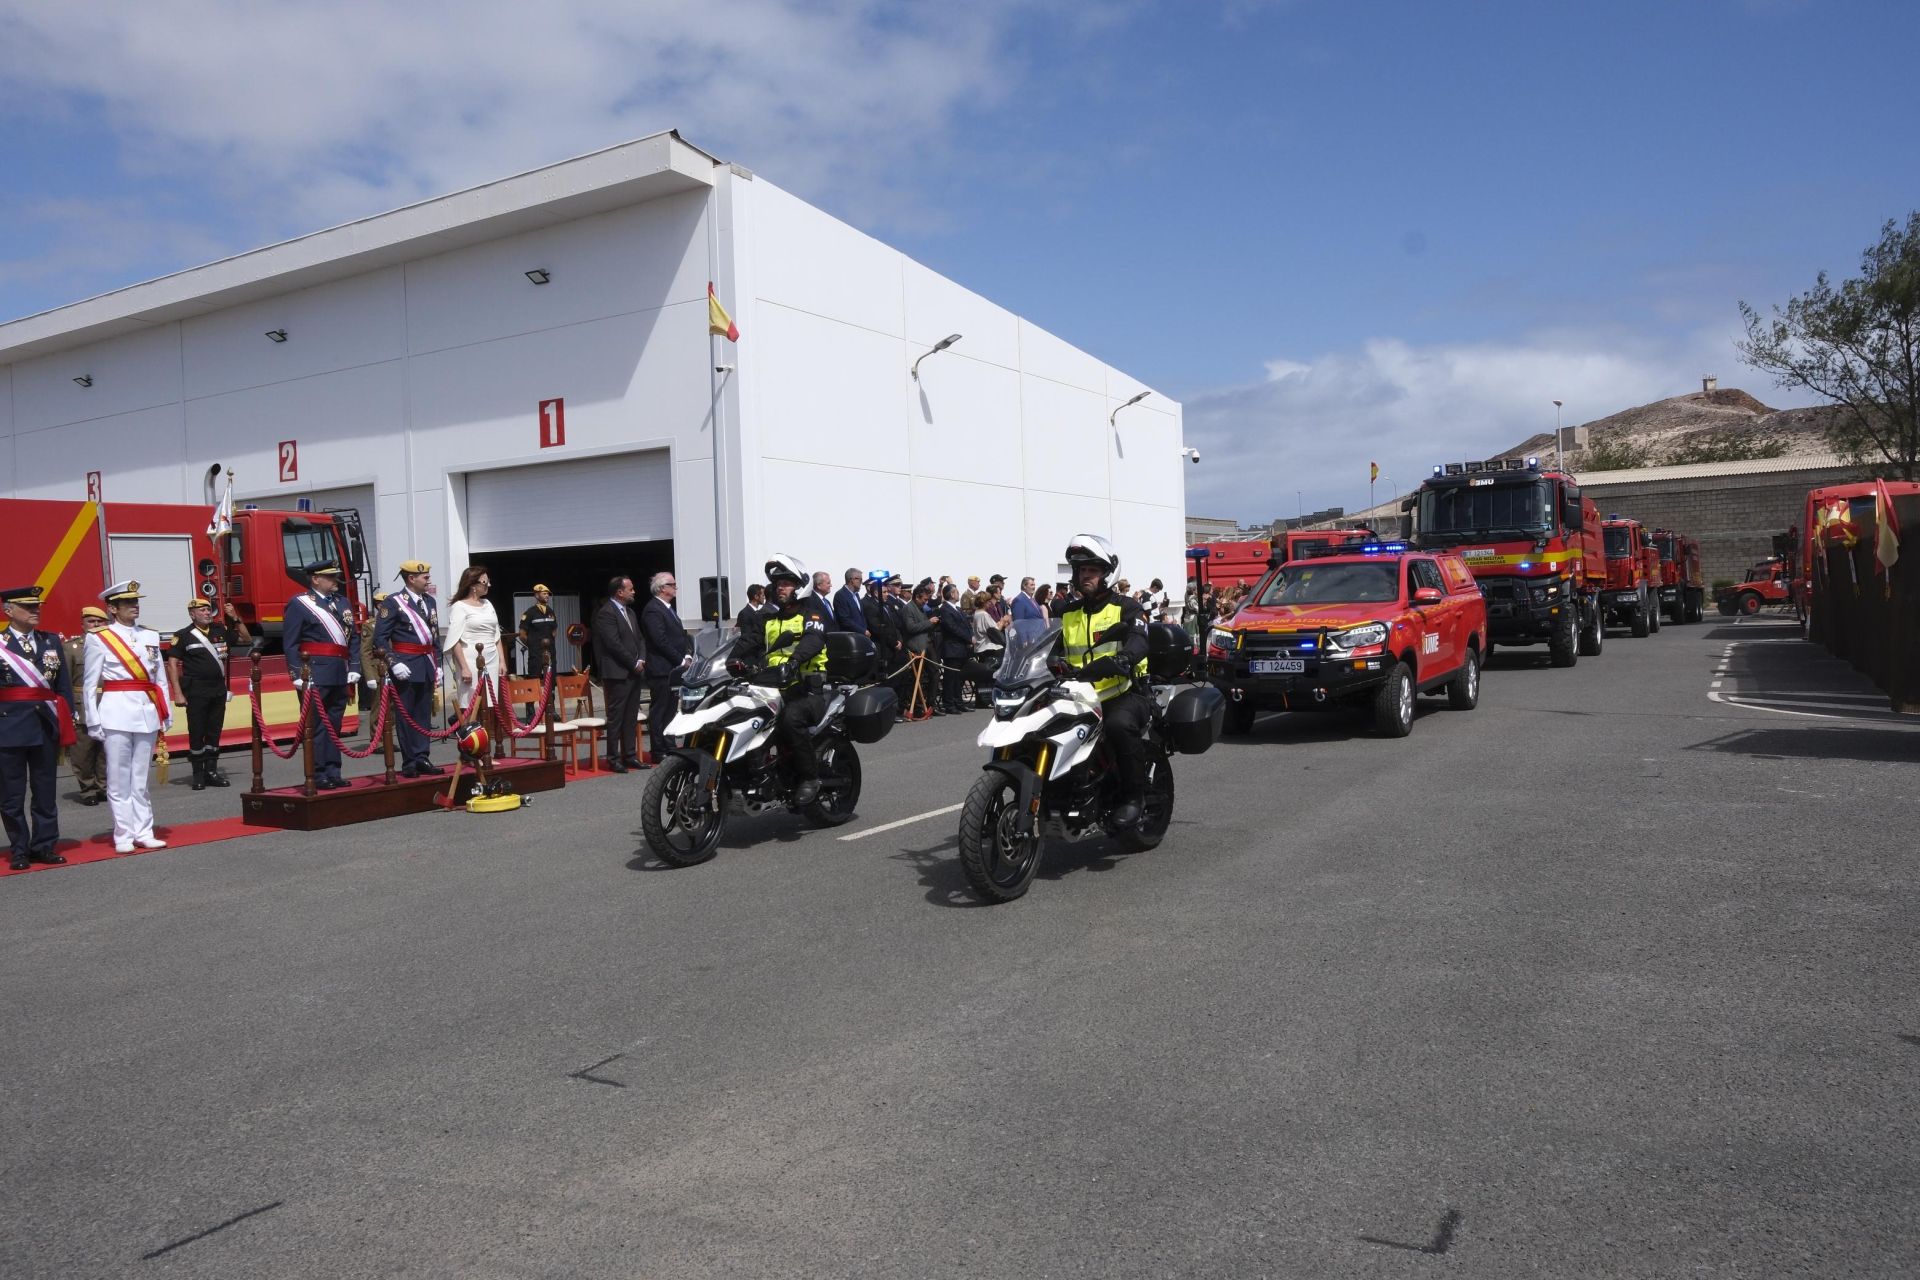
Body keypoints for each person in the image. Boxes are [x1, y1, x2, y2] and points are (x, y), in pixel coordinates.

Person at [1053, 534, 1152, 828]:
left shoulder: (1126, 608)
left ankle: (1134, 796)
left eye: (1092, 571)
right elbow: (1044, 644)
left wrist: (1124, 659)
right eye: (1081, 571)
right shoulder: (1067, 613)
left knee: (1118, 726)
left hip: (1120, 692)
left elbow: (1140, 638)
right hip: (1075, 697)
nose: (1085, 576)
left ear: (1107, 574)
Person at [731, 554, 829, 805]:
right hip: (772, 688)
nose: (780, 588)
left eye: (786, 583)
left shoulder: (812, 614)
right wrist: (728, 660)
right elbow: (748, 640)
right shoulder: (769, 618)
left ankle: (809, 778)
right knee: (739, 716)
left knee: (791, 719)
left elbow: (813, 640)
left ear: (800, 586)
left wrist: (795, 661)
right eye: (778, 584)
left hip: (807, 688)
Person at [85, 580, 173, 850]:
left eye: (136, 602)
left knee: (140, 777)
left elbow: (160, 678)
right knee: (118, 777)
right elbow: (90, 684)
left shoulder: (150, 636)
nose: (135, 606)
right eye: (127, 603)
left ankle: (144, 831)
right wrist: (93, 720)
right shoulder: (99, 638)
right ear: (112, 608)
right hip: (116, 711)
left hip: (146, 709)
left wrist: (165, 712)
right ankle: (123, 834)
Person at [1, 585, 77, 869]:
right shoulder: (1, 643)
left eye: (38, 606)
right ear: (8, 611)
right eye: (28, 607)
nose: (36, 611)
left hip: (45, 725)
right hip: (9, 727)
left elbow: (62, 685)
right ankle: (19, 849)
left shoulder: (50, 641)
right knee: (12, 795)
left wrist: (68, 716)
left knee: (45, 791)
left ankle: (44, 845)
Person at [283, 560, 357, 791]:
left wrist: (354, 666)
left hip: (339, 672)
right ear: (315, 579)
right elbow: (291, 642)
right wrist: (297, 673)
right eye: (330, 577)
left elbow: (352, 637)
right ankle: (317, 772)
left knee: (334, 725)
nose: (335, 580)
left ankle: (333, 771)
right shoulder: (300, 604)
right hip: (314, 672)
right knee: (315, 726)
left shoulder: (342, 602)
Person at [165, 597, 249, 790]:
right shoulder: (183, 635)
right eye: (201, 610)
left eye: (208, 609)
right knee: (197, 732)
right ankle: (198, 774)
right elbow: (172, 665)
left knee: (214, 731)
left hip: (217, 689)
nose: (206, 612)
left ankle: (212, 771)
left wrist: (235, 618)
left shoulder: (221, 631)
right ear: (192, 614)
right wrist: (177, 693)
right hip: (196, 690)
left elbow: (246, 639)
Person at [374, 559, 443, 778]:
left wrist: (439, 665)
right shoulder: (393, 603)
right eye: (425, 577)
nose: (428, 580)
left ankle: (423, 756)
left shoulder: (430, 602)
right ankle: (409, 762)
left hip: (426, 663)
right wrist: (394, 663)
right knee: (406, 715)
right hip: (405, 664)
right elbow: (380, 639)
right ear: (411, 578)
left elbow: (434, 638)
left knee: (423, 715)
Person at [591, 575, 647, 772]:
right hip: (617, 672)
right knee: (616, 717)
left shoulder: (630, 612)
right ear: (619, 592)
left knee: (631, 715)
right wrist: (632, 663)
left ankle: (629, 755)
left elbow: (639, 638)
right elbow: (613, 644)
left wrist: (641, 659)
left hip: (633, 671)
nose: (634, 591)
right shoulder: (606, 613)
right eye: (630, 588)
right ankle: (613, 757)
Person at [641, 571, 691, 765]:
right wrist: (680, 660)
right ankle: (658, 748)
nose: (675, 587)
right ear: (662, 588)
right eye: (672, 584)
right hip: (661, 668)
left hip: (672, 669)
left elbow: (680, 635)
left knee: (671, 709)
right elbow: (659, 640)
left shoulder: (668, 608)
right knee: (660, 710)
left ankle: (670, 744)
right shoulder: (653, 609)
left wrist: (687, 654)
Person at [62, 606, 109, 807]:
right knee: (83, 750)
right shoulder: (72, 648)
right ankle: (87, 788)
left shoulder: (114, 645)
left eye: (100, 622)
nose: (96, 625)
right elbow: (65, 681)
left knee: (106, 750)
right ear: (82, 624)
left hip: (108, 702)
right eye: (91, 621)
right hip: (82, 703)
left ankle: (103, 786)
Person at [443, 566, 504, 713]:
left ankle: (486, 735)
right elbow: (454, 640)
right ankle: (471, 735)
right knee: (471, 703)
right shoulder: (459, 607)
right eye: (484, 582)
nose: (488, 585)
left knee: (490, 702)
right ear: (473, 585)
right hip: (470, 659)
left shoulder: (488, 604)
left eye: (488, 581)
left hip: (491, 658)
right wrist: (464, 667)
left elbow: (496, 635)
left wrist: (502, 660)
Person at [861, 571, 902, 721]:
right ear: (876, 593)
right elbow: (878, 628)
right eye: (884, 592)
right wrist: (893, 642)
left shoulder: (887, 606)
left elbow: (894, 625)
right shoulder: (871, 606)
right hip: (882, 648)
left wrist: (898, 640)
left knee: (894, 680)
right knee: (883, 682)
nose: (887, 594)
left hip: (893, 648)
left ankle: (894, 710)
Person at [935, 583, 973, 714]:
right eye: (956, 592)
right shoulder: (945, 609)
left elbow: (966, 625)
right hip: (952, 648)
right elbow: (952, 628)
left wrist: (970, 636)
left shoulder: (958, 609)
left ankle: (958, 701)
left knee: (959, 677)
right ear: (951, 594)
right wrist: (967, 638)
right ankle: (949, 704)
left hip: (961, 648)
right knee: (950, 678)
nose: (958, 594)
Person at [519, 584, 560, 678]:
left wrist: (550, 642)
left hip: (550, 652)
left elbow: (554, 630)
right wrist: (533, 645)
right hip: (536, 653)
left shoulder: (550, 611)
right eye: (544, 593)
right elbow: (522, 634)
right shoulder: (530, 612)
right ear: (537, 595)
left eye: (547, 594)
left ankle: (552, 693)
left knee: (551, 679)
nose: (547, 595)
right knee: (534, 679)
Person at [832, 568, 868, 636]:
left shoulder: (856, 595)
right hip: (850, 637)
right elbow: (845, 620)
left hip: (861, 636)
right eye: (860, 579)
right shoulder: (840, 595)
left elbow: (861, 616)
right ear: (852, 580)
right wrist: (863, 631)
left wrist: (865, 630)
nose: (861, 582)